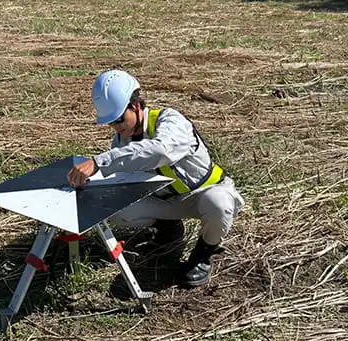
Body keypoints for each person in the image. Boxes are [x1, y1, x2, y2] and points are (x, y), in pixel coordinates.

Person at [67, 69, 244, 287]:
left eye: (120, 120)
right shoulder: (122, 141)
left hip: (202, 194)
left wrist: (98, 162)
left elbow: (161, 151)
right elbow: (124, 178)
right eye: (111, 123)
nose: (117, 129)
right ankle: (169, 228)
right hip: (167, 202)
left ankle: (203, 253)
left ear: (136, 106)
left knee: (219, 204)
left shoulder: (171, 120)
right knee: (120, 210)